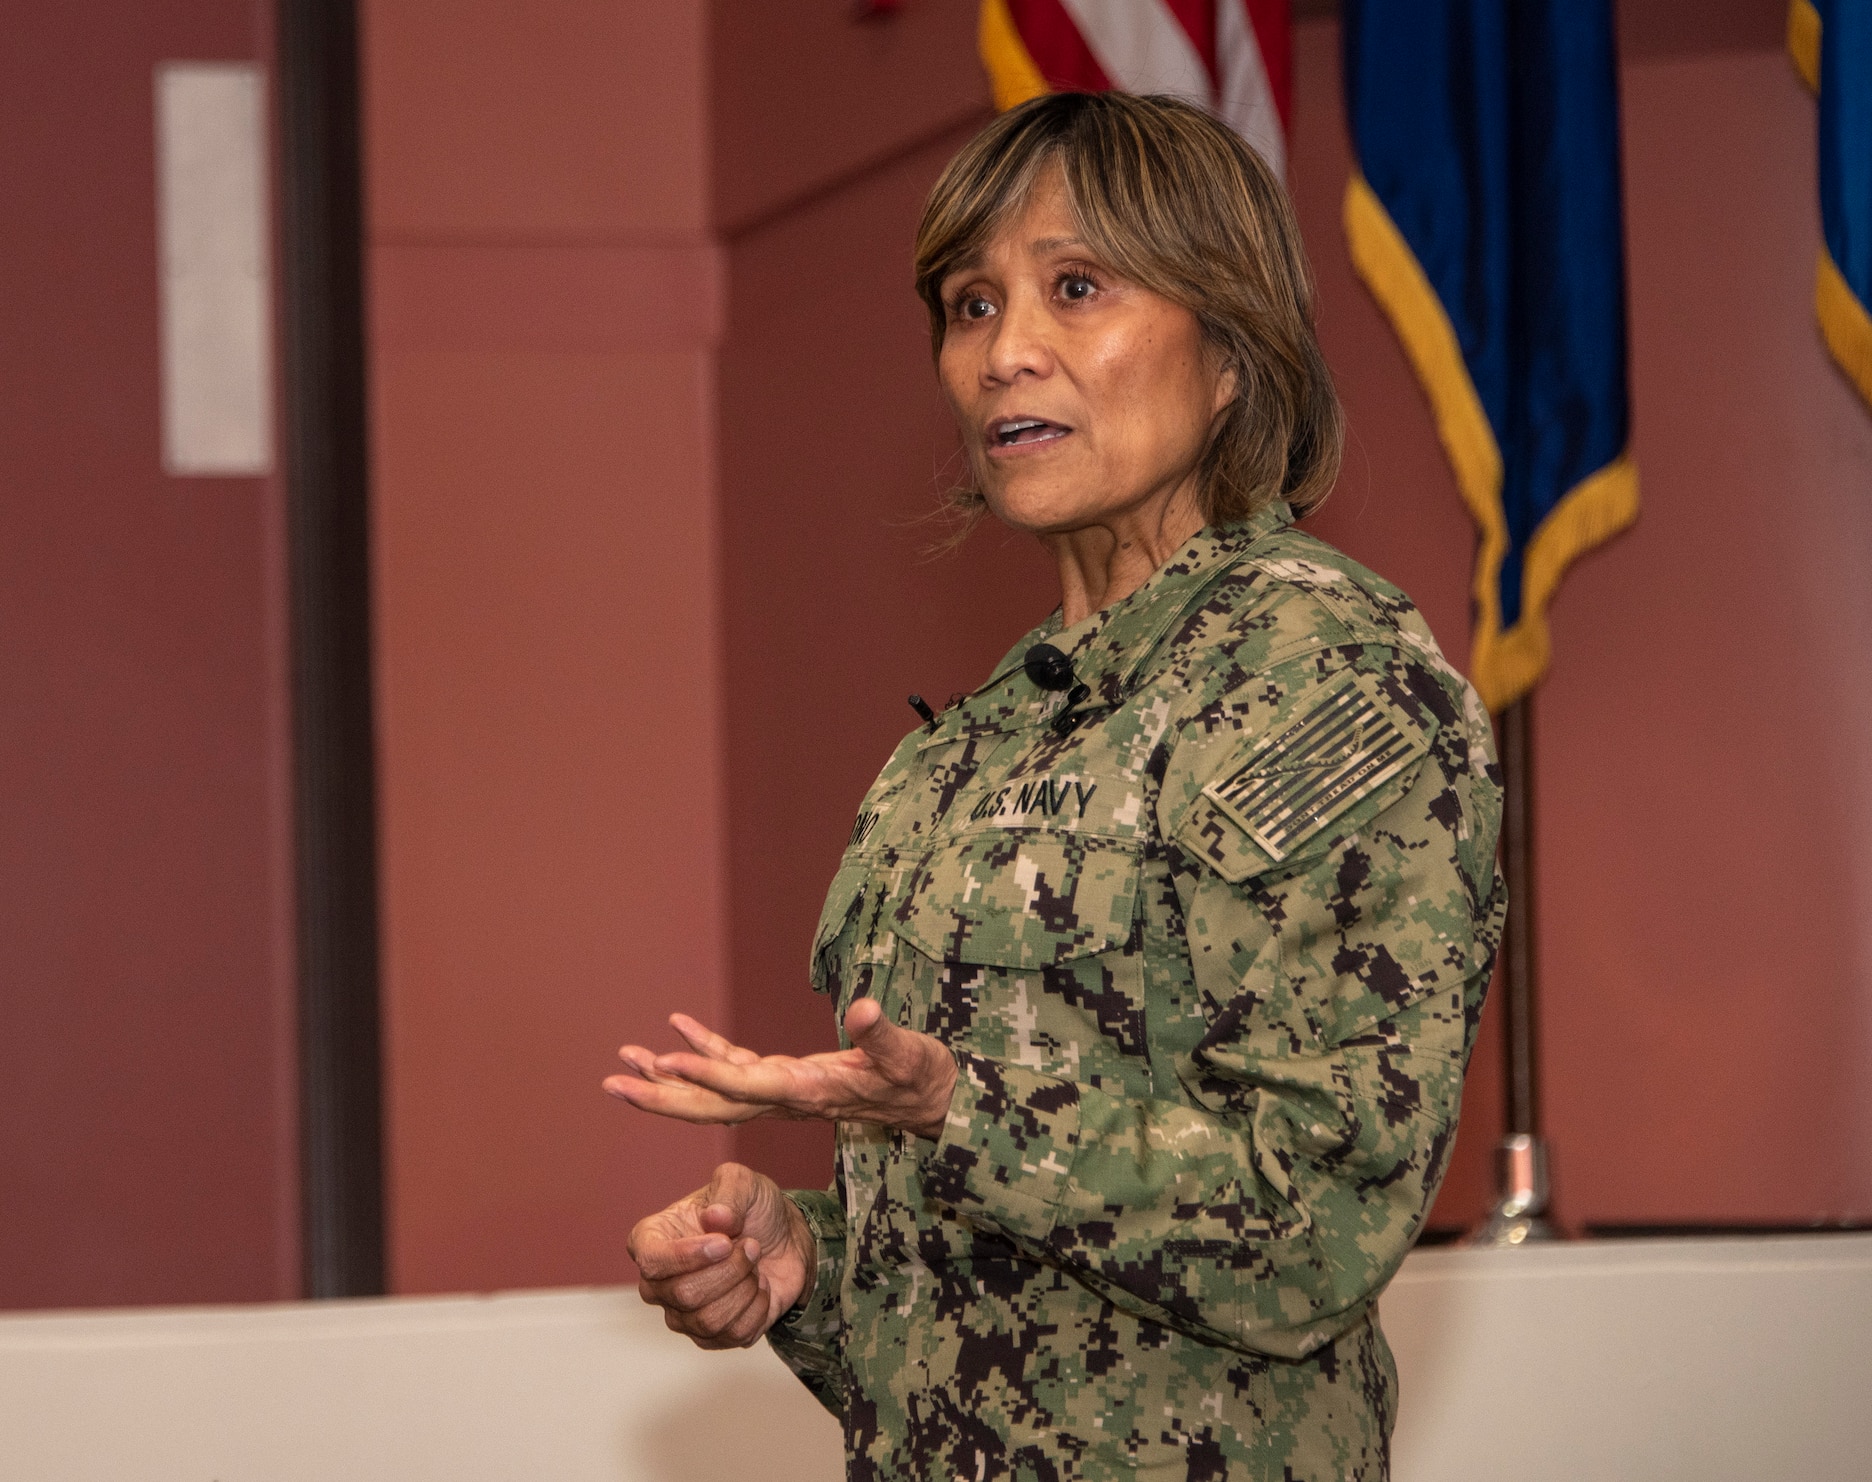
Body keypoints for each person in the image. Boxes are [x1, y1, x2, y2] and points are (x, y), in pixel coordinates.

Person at [603, 90, 1505, 1482]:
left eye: (1076, 288)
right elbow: (1008, 1302)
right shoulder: (964, 749)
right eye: (970, 305)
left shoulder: (1325, 682)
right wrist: (809, 1260)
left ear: (1229, 349)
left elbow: (1315, 1222)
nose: (1005, 352)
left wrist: (962, 1111)